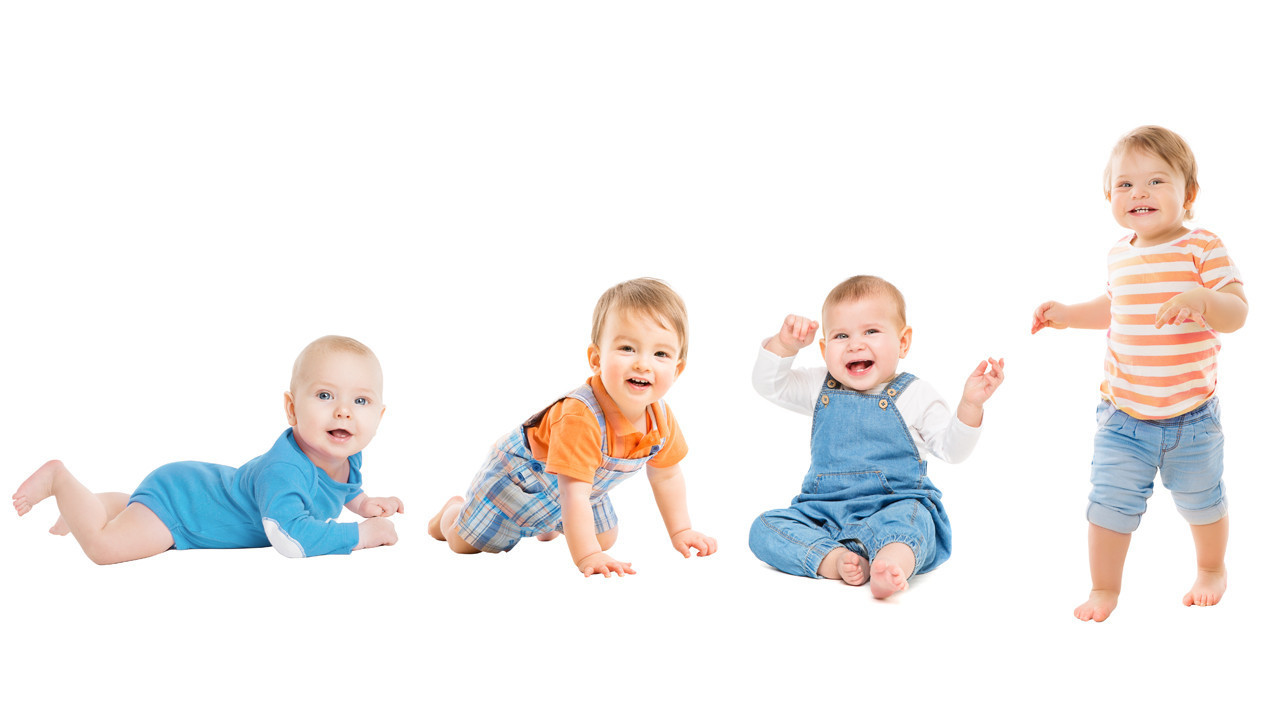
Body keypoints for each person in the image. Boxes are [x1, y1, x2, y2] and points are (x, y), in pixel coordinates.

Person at [1032, 126, 1247, 622]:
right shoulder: (1119, 253)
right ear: (1109, 195)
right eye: (1125, 184)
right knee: (1108, 504)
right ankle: (1104, 587)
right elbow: (1114, 308)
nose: (1138, 193)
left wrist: (1204, 300)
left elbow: (1237, 312)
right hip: (1123, 417)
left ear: (1188, 194)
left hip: (1191, 418)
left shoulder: (1202, 247)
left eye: (1155, 181)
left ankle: (1211, 568)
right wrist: (1068, 315)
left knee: (1202, 501)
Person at [12, 335, 401, 563]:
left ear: (379, 415)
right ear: (292, 408)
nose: (344, 411)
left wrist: (364, 504)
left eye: (361, 401)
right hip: (183, 507)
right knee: (104, 548)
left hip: (195, 489)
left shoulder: (344, 455)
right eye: (325, 395)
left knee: (135, 510)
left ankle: (101, 503)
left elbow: (340, 487)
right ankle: (60, 482)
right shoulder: (285, 471)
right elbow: (289, 537)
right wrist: (360, 535)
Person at [428, 278, 716, 577]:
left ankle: (551, 523)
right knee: (464, 544)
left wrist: (681, 530)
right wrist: (588, 556)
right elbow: (572, 493)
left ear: (677, 369)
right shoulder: (580, 417)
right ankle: (451, 512)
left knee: (605, 539)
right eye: (627, 348)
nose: (643, 364)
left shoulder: (661, 419)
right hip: (520, 480)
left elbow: (667, 476)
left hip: (578, 490)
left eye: (660, 354)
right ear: (596, 359)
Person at [748, 275, 1004, 599]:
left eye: (871, 331)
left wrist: (970, 405)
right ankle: (835, 559)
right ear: (824, 349)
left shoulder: (915, 395)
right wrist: (785, 345)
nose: (855, 344)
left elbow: (953, 450)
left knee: (913, 523)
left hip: (893, 507)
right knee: (764, 528)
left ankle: (890, 563)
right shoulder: (818, 386)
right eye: (841, 335)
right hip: (822, 512)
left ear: (903, 342)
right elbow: (768, 384)